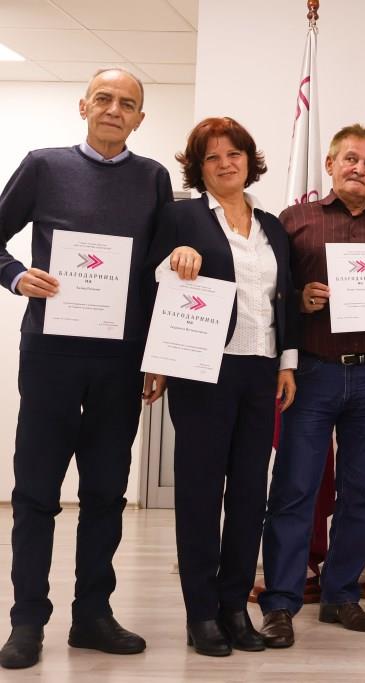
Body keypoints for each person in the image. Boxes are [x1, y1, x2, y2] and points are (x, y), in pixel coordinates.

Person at [0, 68, 172, 670]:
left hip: (120, 360)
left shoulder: (153, 178)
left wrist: (157, 354)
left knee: (105, 492)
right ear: (83, 106)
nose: (114, 109)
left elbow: (156, 273)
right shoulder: (43, 166)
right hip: (51, 354)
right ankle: (27, 621)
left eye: (127, 103)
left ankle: (92, 615)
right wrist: (16, 276)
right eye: (104, 98)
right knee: (36, 493)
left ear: (140, 119)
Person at [144, 117, 298, 656]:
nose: (225, 163)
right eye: (212, 157)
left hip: (261, 370)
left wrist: (287, 362)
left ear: (249, 161)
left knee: (250, 495)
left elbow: (283, 296)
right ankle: (201, 613)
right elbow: (149, 278)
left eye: (233, 154)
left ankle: (235, 607)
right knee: (200, 494)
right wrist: (172, 261)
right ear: (199, 167)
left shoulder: (272, 225)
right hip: (202, 370)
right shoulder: (180, 216)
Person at [258, 124, 365, 646]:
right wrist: (301, 299)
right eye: (350, 159)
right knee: (295, 487)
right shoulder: (295, 220)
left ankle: (341, 594)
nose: (359, 169)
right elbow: (272, 292)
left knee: (362, 492)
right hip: (312, 373)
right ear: (330, 164)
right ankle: (281, 602)